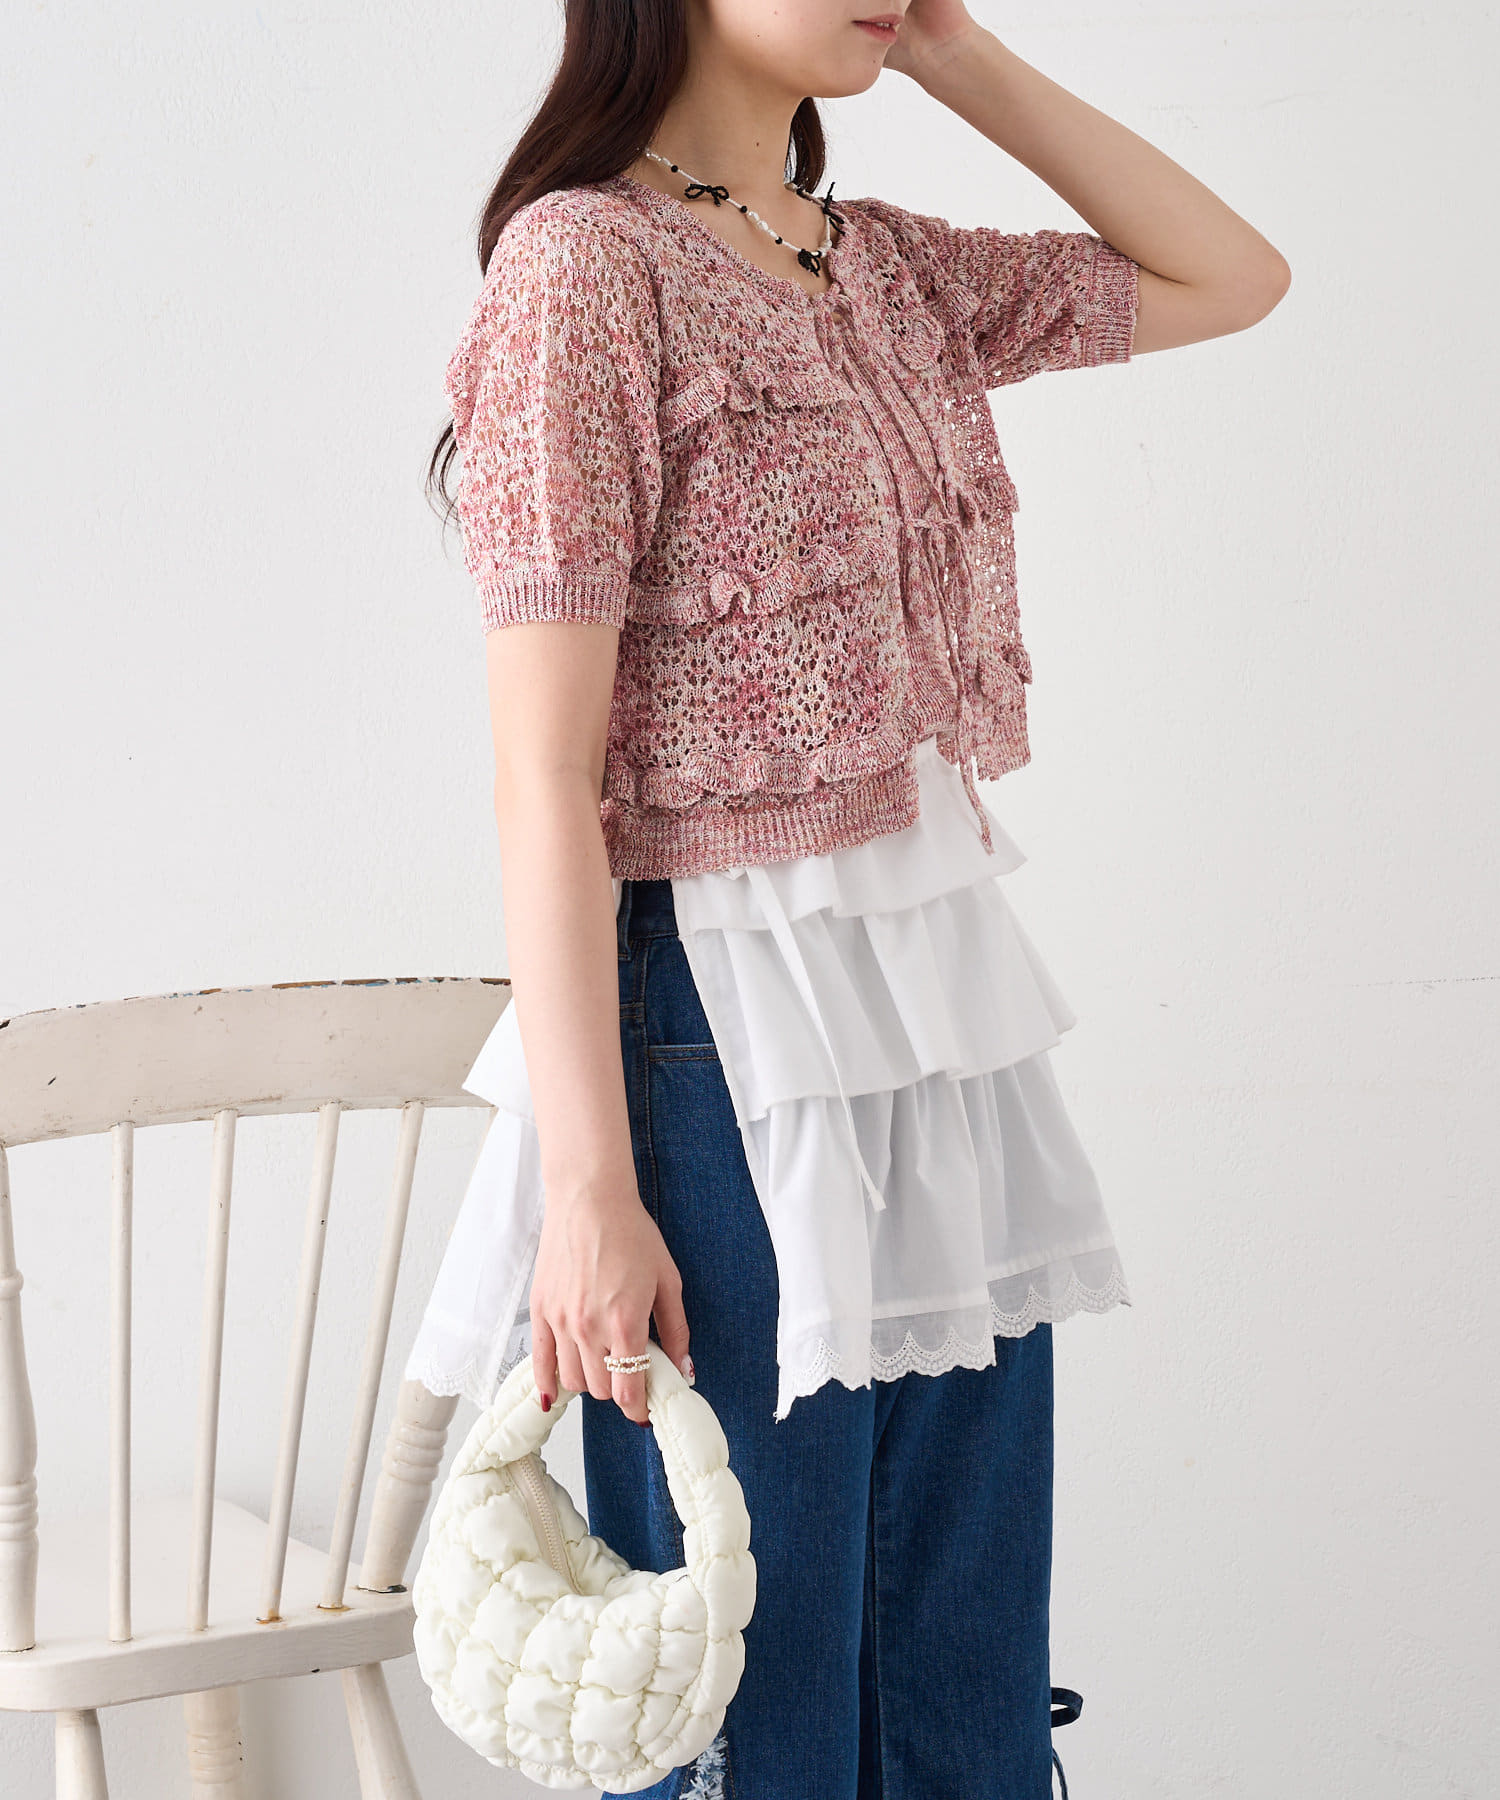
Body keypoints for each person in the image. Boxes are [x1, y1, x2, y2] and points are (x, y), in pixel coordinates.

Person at [407, 3, 1289, 1794]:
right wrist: (589, 1193)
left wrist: (949, 54)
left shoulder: (880, 265)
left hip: (933, 1025)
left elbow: (1233, 274)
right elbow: (541, 778)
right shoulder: (586, 269)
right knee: (760, 1692)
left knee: (967, 1679)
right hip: (709, 1039)